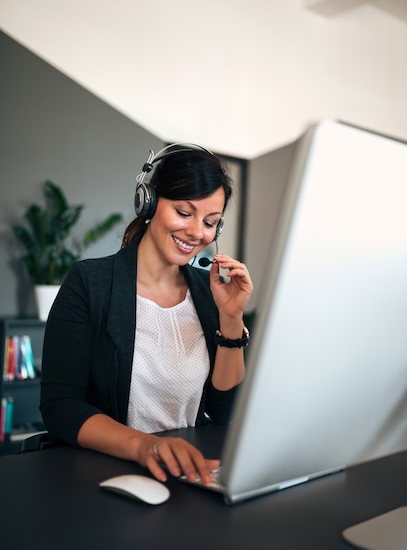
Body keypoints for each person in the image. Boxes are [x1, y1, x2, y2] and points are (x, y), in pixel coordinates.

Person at [40, 143, 253, 485]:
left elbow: (225, 412)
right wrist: (145, 446)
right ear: (149, 202)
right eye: (184, 213)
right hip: (103, 475)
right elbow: (60, 406)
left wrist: (231, 320)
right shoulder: (89, 282)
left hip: (186, 473)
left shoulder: (210, 292)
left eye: (210, 222)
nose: (198, 232)